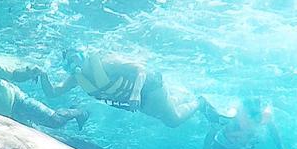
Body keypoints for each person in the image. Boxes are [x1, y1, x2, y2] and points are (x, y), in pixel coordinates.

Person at [40, 48, 209, 128]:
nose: (73, 64)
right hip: (138, 100)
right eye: (68, 62)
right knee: (166, 110)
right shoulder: (77, 79)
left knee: (173, 120)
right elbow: (53, 93)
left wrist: (135, 94)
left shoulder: (106, 63)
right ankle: (182, 96)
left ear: (83, 55)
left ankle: (200, 102)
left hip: (148, 88)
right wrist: (43, 76)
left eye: (75, 58)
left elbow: (140, 69)